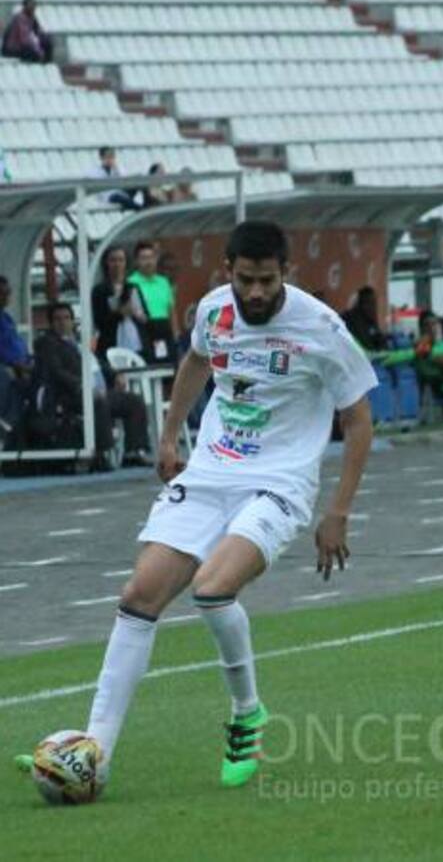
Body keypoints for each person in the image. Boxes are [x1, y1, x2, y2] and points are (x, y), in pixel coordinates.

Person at [11, 221, 379, 790]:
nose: (255, 293)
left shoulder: (321, 328)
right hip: (209, 473)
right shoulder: (214, 310)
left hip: (278, 483)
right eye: (245, 280)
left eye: (266, 281)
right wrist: (167, 436)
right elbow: (195, 364)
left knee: (211, 589)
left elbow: (358, 421)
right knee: (138, 597)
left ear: (286, 273)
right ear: (228, 271)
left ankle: (246, 715)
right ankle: (94, 750)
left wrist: (338, 511)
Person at [33, 302, 152, 468]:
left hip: (99, 390)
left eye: (67, 318)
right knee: (97, 402)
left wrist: (115, 374)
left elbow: (98, 362)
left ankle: (134, 452)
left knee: (133, 401)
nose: (62, 322)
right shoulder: (47, 343)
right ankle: (102, 454)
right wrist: (83, 386)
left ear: (72, 321)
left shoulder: (78, 341)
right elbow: (56, 371)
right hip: (70, 394)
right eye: (57, 319)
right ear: (51, 323)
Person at [126, 240, 178, 366]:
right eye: (143, 258)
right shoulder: (131, 282)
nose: (148, 262)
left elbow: (171, 309)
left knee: (170, 367)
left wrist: (176, 333)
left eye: (151, 257)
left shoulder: (163, 282)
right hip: (144, 330)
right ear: (137, 261)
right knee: (150, 366)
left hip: (164, 329)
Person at [91, 246, 142, 357]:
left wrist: (137, 314)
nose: (117, 264)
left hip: (133, 339)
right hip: (111, 341)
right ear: (106, 263)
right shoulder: (100, 290)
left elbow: (143, 315)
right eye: (113, 260)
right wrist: (119, 313)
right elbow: (99, 320)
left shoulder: (133, 287)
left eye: (120, 260)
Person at [0, 275, 34, 435]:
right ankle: (6, 426)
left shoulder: (6, 318)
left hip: (22, 365)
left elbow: (18, 345)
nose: (6, 297)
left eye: (8, 292)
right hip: (9, 368)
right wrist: (20, 366)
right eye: (2, 293)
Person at [1, 0, 53, 64]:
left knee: (47, 43)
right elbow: (25, 40)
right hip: (11, 49)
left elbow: (38, 31)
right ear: (24, 6)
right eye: (31, 5)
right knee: (32, 53)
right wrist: (39, 51)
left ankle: (47, 66)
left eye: (34, 5)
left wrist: (45, 39)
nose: (33, 8)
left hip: (21, 47)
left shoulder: (32, 17)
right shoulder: (20, 18)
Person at [88, 146, 139, 212]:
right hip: (109, 197)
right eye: (107, 157)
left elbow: (125, 180)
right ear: (101, 157)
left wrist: (116, 169)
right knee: (118, 197)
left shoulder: (117, 168)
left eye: (112, 157)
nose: (110, 159)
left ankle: (133, 204)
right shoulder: (94, 172)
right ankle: (140, 208)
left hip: (121, 192)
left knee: (138, 182)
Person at [342, 286, 389, 353]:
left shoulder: (370, 321)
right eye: (369, 303)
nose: (373, 307)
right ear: (360, 304)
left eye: (374, 303)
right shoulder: (350, 320)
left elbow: (380, 339)